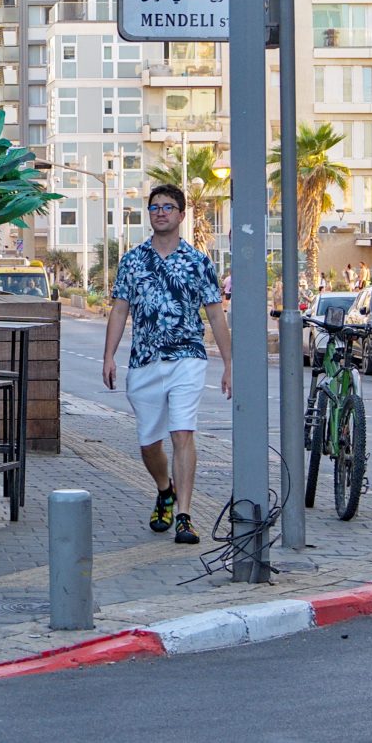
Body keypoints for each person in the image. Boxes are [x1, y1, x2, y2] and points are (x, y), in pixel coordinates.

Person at [101, 183, 231, 546]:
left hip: (187, 358)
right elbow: (120, 309)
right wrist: (109, 355)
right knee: (148, 443)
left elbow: (216, 315)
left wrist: (229, 364)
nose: (161, 212)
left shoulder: (198, 262)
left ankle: (185, 517)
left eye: (168, 207)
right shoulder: (132, 260)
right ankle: (165, 489)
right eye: (155, 206)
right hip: (143, 361)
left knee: (182, 432)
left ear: (181, 214)